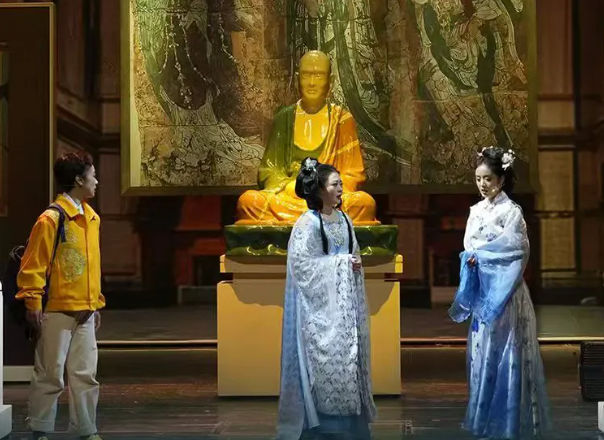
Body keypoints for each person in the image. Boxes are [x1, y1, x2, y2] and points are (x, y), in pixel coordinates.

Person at [448, 146, 551, 439]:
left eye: (488, 179)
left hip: (508, 295)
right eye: (478, 179)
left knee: (509, 354)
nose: (483, 185)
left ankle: (510, 424)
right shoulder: (475, 211)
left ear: (502, 180)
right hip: (484, 294)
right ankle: (484, 419)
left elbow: (516, 251)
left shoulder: (512, 212)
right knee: (483, 355)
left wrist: (480, 256)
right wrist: (472, 258)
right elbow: (470, 246)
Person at [276, 157, 377, 440]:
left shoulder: (345, 219)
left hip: (345, 305)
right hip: (320, 309)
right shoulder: (307, 224)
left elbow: (353, 253)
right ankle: (324, 424)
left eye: (341, 183)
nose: (341, 189)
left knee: (349, 358)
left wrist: (351, 264)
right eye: (335, 184)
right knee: (324, 361)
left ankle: (350, 423)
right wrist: (341, 264)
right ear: (320, 190)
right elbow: (302, 267)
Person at [16, 152, 105, 440]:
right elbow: (34, 264)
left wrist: (95, 303)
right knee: (50, 374)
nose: (96, 181)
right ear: (79, 180)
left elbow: (92, 267)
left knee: (85, 375)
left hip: (85, 311)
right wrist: (33, 301)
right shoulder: (51, 219)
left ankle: (86, 429)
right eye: (92, 176)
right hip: (56, 310)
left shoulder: (91, 218)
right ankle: (40, 429)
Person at [235, 50, 379, 226]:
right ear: (297, 79)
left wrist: (326, 189)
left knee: (363, 203)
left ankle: (306, 219)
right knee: (249, 201)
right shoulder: (284, 118)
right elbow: (269, 170)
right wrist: (289, 186)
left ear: (331, 81)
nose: (312, 83)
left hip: (327, 199)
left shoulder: (342, 120)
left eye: (318, 76)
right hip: (291, 197)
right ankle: (313, 219)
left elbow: (353, 173)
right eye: (306, 76)